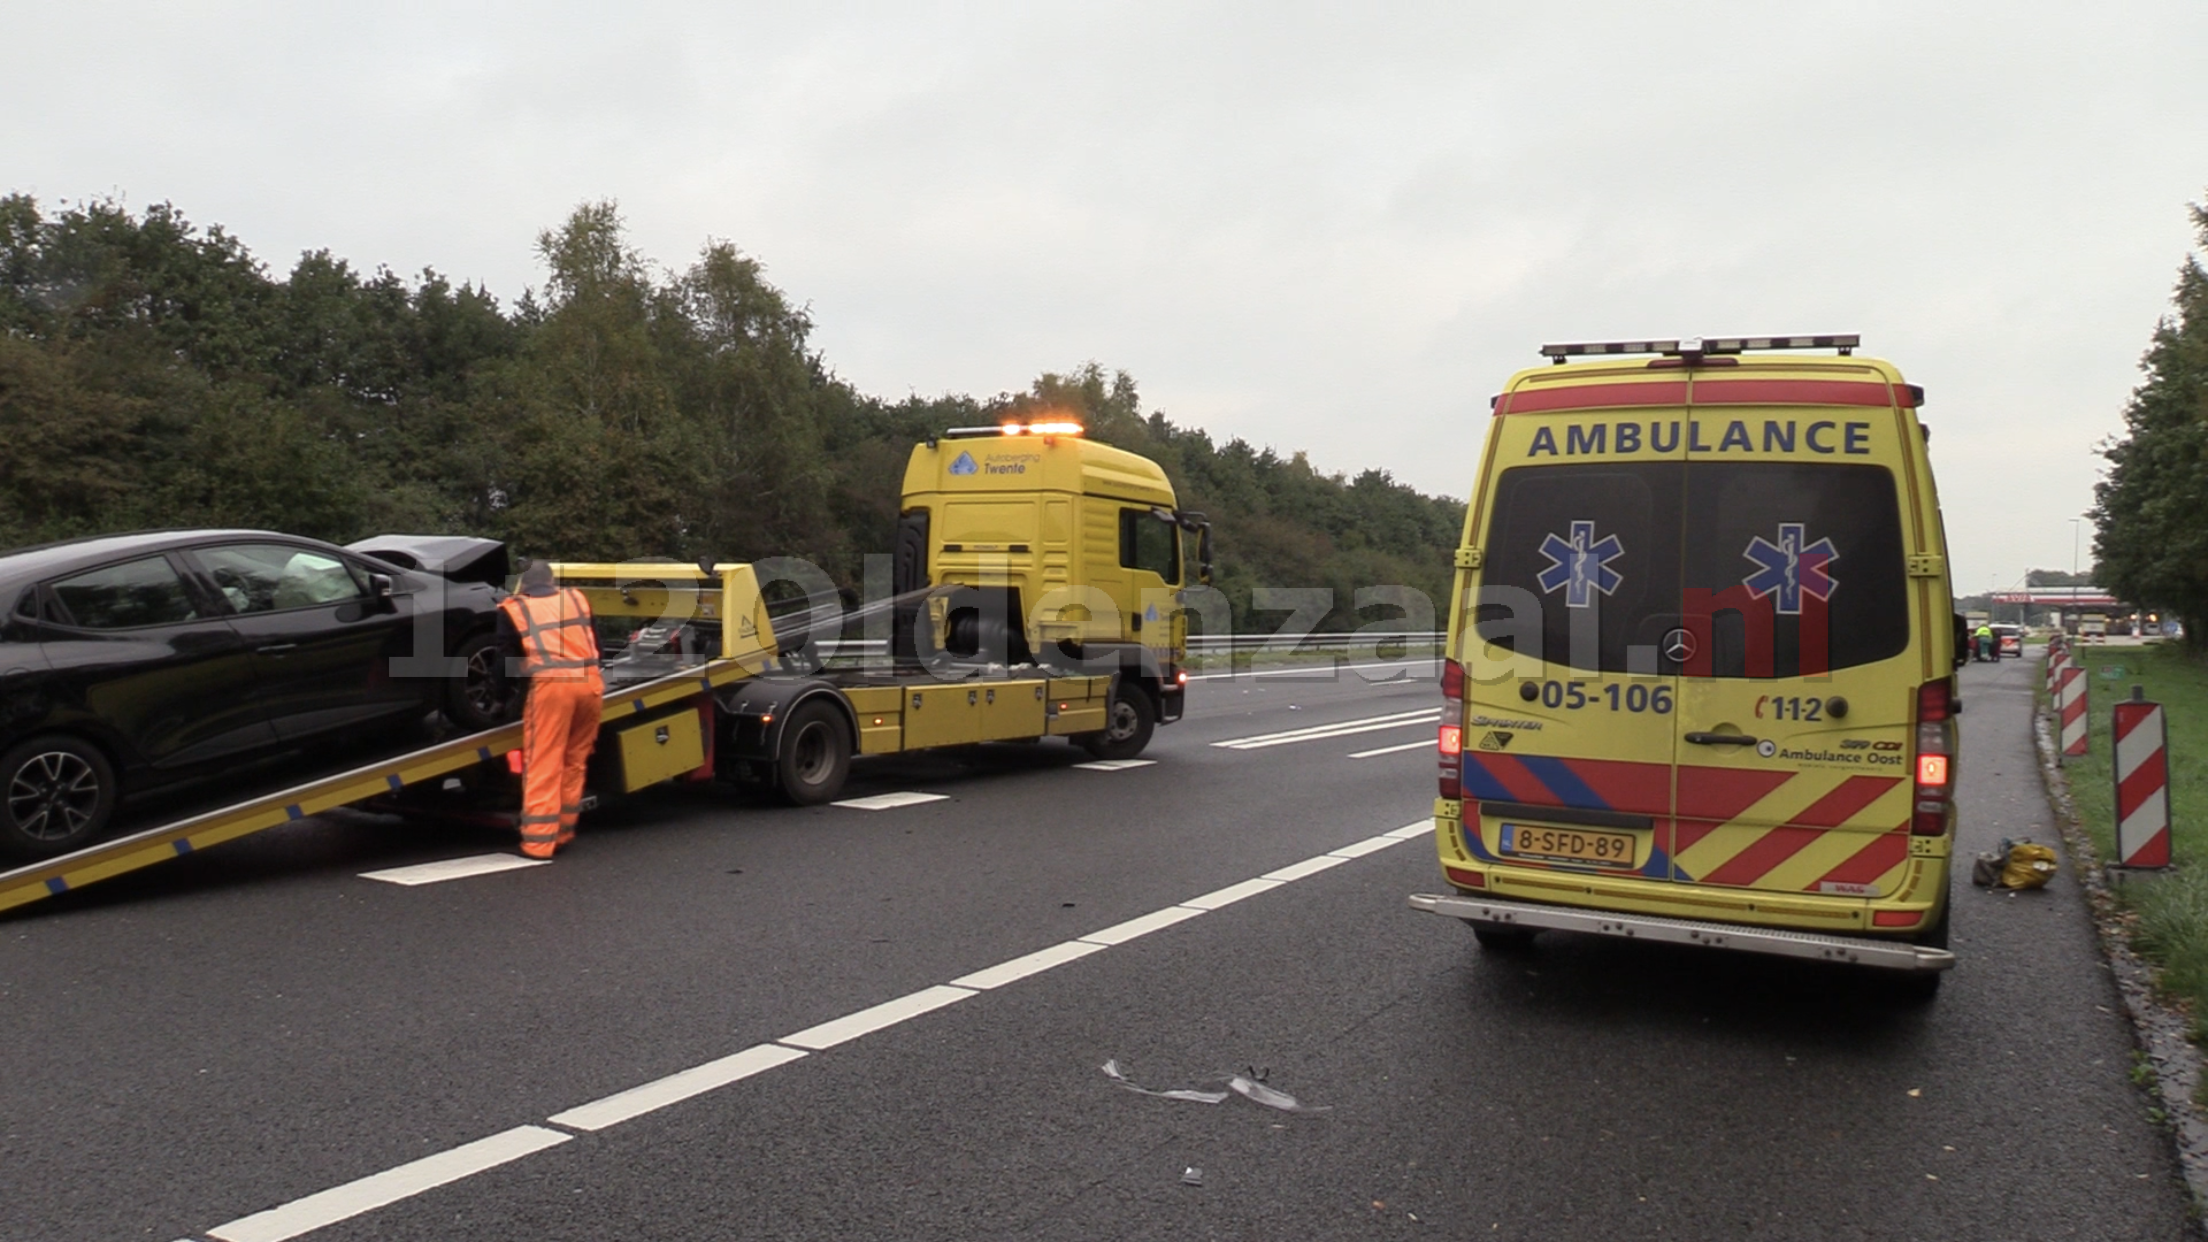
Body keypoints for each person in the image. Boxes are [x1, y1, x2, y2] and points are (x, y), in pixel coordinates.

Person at [498, 560, 604, 859]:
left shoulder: (515, 608)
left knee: (544, 763)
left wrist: (500, 701)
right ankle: (563, 832)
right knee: (575, 760)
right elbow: (599, 646)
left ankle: (538, 844)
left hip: (553, 689)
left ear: (523, 585)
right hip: (590, 684)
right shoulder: (575, 599)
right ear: (551, 581)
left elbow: (504, 665)